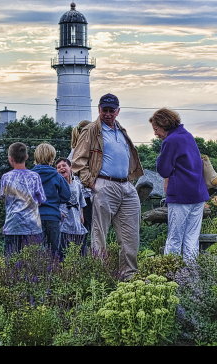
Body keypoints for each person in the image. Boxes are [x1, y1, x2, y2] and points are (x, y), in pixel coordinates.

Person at [71, 93, 144, 281]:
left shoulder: (121, 130)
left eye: (112, 110)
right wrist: (93, 183)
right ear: (99, 109)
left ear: (118, 111)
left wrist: (130, 179)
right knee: (99, 233)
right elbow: (77, 161)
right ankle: (100, 275)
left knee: (131, 235)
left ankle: (129, 276)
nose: (108, 114)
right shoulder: (91, 131)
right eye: (105, 110)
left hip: (126, 185)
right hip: (104, 184)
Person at [149, 108, 209, 262]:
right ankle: (191, 276)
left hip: (181, 195)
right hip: (198, 194)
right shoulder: (187, 136)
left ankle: (170, 275)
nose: (156, 134)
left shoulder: (170, 141)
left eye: (156, 129)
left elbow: (163, 169)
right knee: (191, 239)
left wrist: (160, 158)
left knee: (174, 239)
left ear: (163, 124)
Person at [0, 142, 46, 257]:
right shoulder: (35, 176)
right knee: (34, 263)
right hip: (32, 226)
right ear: (26, 157)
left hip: (12, 225)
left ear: (10, 159)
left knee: (11, 262)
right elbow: (41, 200)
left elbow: (4, 198)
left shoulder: (6, 177)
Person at [31, 143, 71, 258]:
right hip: (53, 216)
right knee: (54, 251)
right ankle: (54, 273)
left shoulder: (30, 175)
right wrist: (55, 200)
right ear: (52, 158)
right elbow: (66, 195)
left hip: (35, 217)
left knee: (37, 252)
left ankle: (37, 274)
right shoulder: (56, 175)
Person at [55, 157, 88, 257]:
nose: (61, 168)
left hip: (77, 224)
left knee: (79, 255)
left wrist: (81, 215)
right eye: (58, 167)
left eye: (64, 165)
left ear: (70, 167)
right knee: (63, 255)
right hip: (64, 225)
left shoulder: (77, 185)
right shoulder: (56, 185)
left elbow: (81, 201)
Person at [68, 120, 93, 243]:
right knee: (87, 226)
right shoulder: (79, 151)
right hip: (85, 194)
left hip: (82, 194)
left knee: (87, 226)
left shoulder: (75, 150)